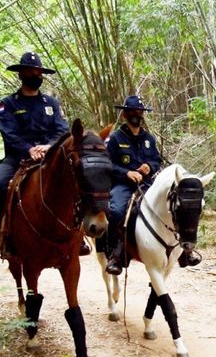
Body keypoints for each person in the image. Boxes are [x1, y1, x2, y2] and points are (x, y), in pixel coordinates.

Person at [0, 52, 90, 256]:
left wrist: (49, 146)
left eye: (39, 72)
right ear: (21, 75)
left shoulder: (51, 103)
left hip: (50, 156)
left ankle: (79, 236)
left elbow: (62, 131)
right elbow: (9, 132)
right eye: (31, 72)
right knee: (0, 183)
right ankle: (4, 234)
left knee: (78, 178)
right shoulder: (8, 104)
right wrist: (29, 149)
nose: (36, 75)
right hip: (19, 158)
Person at [104, 95, 200, 275]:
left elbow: (156, 160)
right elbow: (108, 165)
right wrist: (127, 173)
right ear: (124, 114)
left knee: (175, 205)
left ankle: (184, 251)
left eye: (140, 112)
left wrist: (149, 166)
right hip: (124, 185)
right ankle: (116, 254)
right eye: (132, 112)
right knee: (117, 210)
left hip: (148, 183)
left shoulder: (149, 138)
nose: (137, 115)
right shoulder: (116, 138)